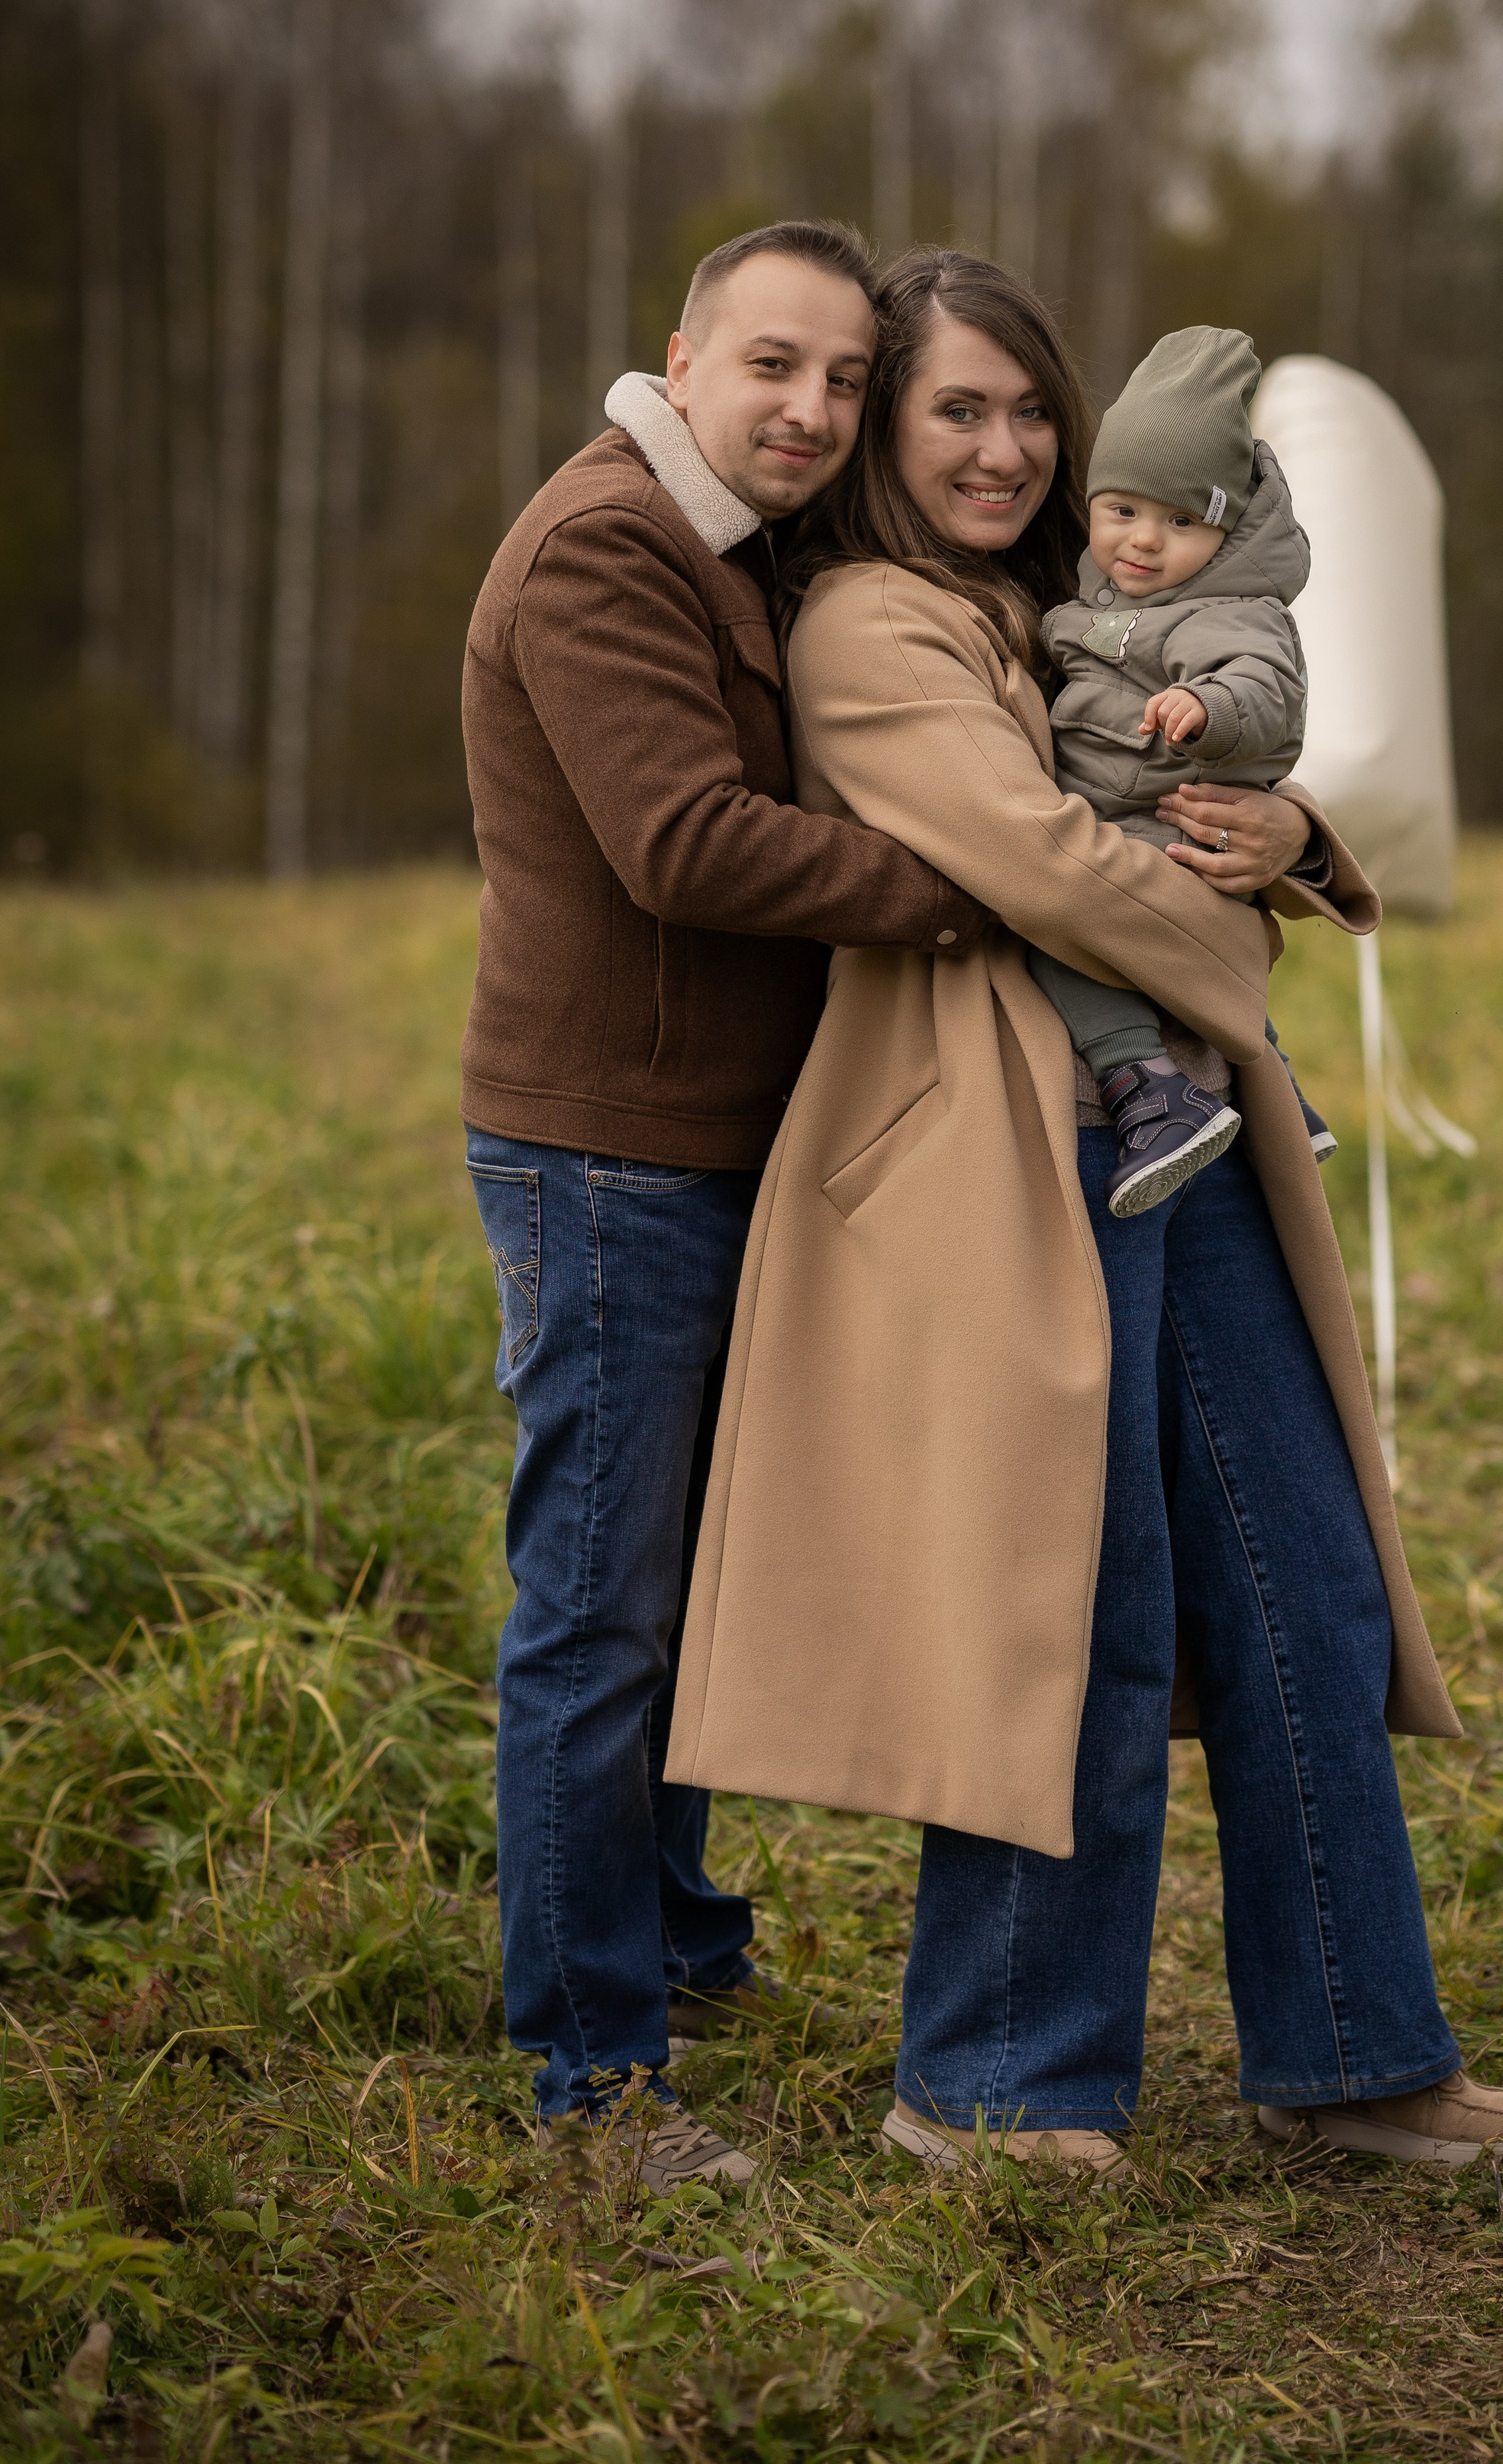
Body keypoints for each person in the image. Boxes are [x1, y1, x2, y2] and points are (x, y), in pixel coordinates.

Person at [667, 247, 1503, 2178]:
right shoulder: (868, 628)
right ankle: (990, 2083)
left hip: (1181, 1133)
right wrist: (1246, 916)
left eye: (1026, 408)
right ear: (888, 438)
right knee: (1064, 1604)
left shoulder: (1080, 600)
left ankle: (1352, 2049)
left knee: (1299, 1573)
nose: (1003, 446)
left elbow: (1205, 768)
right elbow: (1046, 863)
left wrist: (1297, 829)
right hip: (1010, 1155)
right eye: (952, 411)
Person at [458, 219, 985, 2162]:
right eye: (775, 365)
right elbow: (682, 843)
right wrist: (961, 882)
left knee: (670, 1586)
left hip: (701, 1138)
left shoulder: (743, 547)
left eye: (845, 380)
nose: (813, 410)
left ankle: (671, 1935)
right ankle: (590, 2071)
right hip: (605, 1149)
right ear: (677, 354)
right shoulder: (606, 541)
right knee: (597, 1606)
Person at [1031, 323, 1309, 1216]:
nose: (1142, 542)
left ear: (1222, 531)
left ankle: (1148, 1087)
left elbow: (1266, 690)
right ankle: (1278, 1097)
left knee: (1061, 941)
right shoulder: (1099, 598)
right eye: (1121, 512)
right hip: (1121, 812)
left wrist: (1209, 711)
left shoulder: (1225, 611)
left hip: (1159, 817)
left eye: (1179, 521)